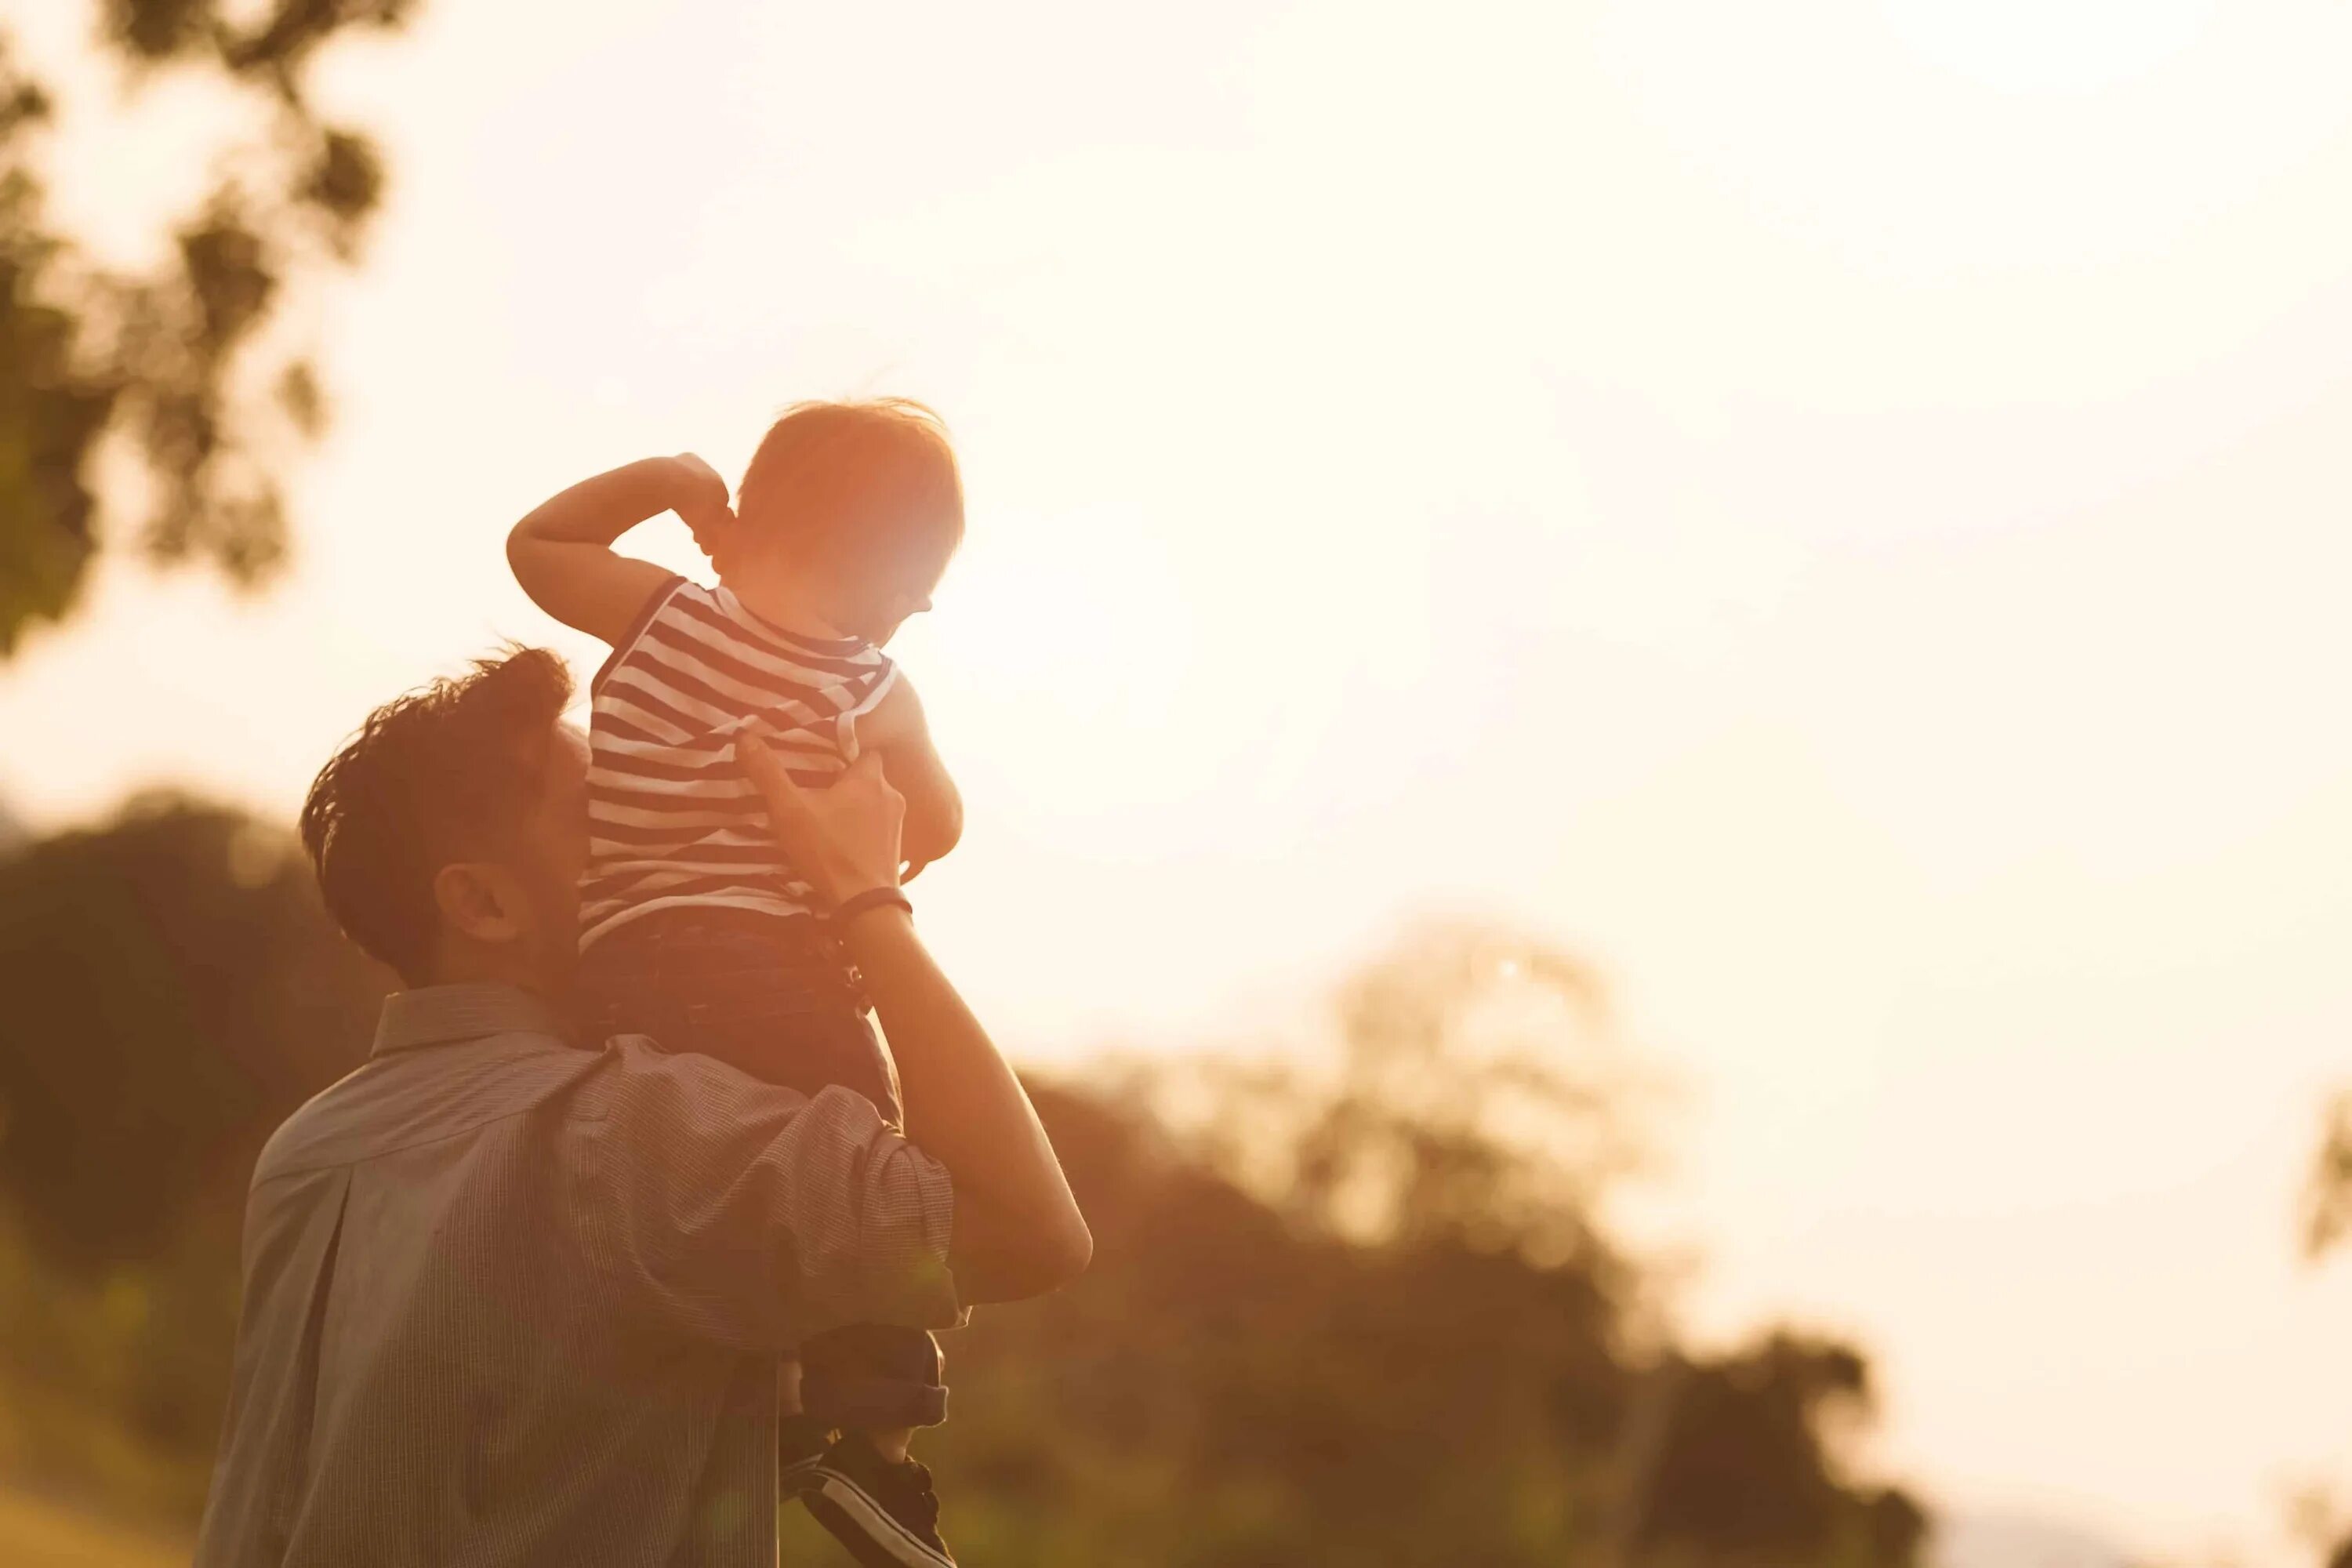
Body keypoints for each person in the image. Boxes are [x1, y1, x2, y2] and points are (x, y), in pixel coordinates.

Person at [193, 648, 1090, 1568]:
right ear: (485, 902)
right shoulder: (624, 1129)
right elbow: (1031, 1226)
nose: (666, 830)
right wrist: (864, 895)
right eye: (608, 811)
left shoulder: (308, 1147)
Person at [504, 401, 974, 1565]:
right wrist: (890, 830)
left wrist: (671, 480)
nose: (921, 611)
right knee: (872, 1198)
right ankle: (877, 1452)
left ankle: (710, 1398)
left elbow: (537, 547)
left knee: (669, 1180)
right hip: (792, 989)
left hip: (625, 984)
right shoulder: (873, 686)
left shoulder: (658, 612)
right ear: (889, 575)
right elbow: (946, 823)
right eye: (924, 585)